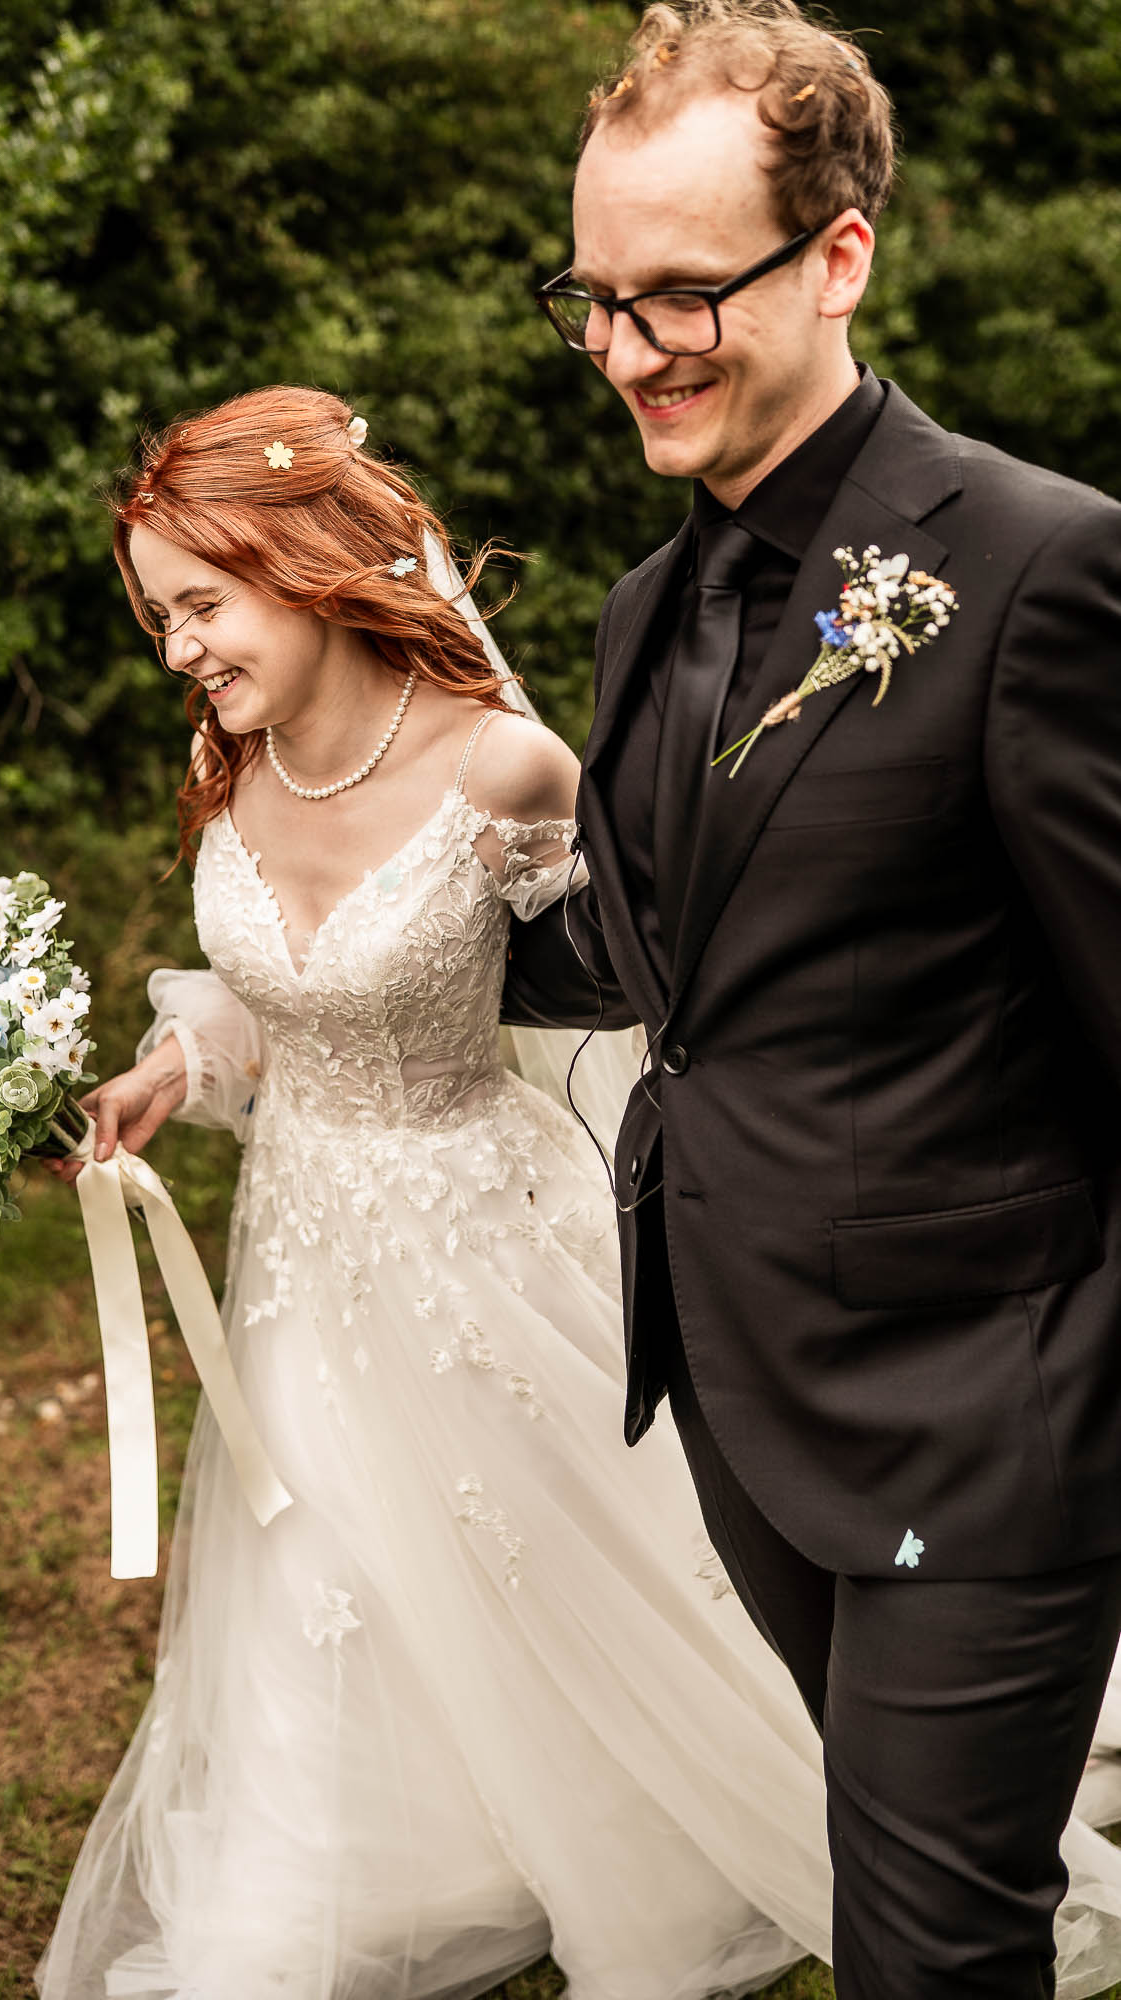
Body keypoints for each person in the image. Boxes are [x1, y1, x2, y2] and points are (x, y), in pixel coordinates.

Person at [502, 2, 1121, 1994]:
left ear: (838, 254)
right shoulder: (641, 605)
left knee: (931, 1947)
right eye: (593, 299)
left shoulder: (1036, 568)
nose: (626, 351)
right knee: (884, 1873)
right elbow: (673, 948)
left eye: (680, 294)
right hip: (745, 1396)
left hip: (981, 1429)